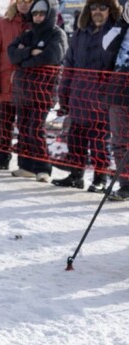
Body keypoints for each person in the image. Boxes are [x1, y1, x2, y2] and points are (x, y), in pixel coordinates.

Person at [52, 0, 121, 190]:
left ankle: (100, 179)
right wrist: (64, 94)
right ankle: (76, 175)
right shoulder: (80, 33)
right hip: (78, 95)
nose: (97, 11)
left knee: (100, 141)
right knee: (76, 138)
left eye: (103, 7)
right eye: (93, 7)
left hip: (102, 98)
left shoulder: (116, 33)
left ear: (111, 10)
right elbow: (69, 66)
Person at [8, 0, 66, 180]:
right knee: (23, 127)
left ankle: (43, 168)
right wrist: (31, 52)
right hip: (24, 90)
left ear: (49, 14)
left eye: (42, 13)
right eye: (35, 13)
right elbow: (11, 53)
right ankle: (26, 166)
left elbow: (52, 56)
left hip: (43, 91)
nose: (38, 17)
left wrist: (24, 60)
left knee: (36, 128)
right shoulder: (28, 33)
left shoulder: (57, 34)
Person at [0, 0, 32, 169]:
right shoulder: (4, 24)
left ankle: (25, 162)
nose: (24, 5)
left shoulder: (39, 25)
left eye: (29, 1)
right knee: (4, 123)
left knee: (26, 125)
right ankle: (1, 157)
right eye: (21, 1)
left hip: (29, 86)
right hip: (6, 82)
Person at [104, 11, 129, 200]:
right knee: (120, 141)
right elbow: (106, 45)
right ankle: (126, 184)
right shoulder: (120, 27)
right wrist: (122, 23)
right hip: (119, 91)